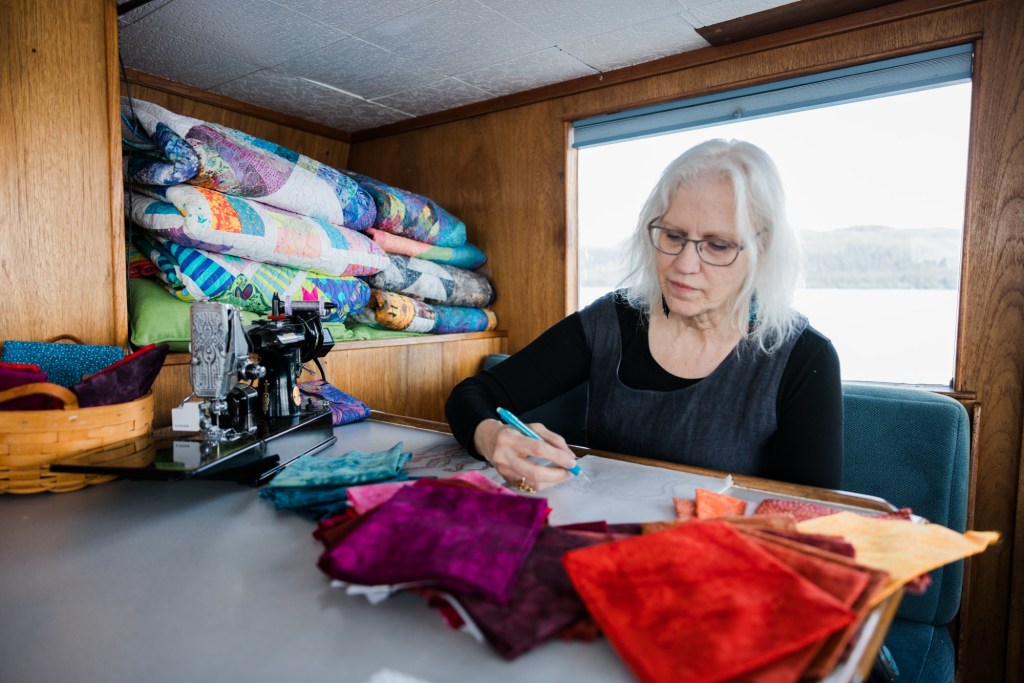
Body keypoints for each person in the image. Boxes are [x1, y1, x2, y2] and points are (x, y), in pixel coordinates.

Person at [445, 139, 842, 493]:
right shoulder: (613, 321)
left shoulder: (804, 358)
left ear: (762, 250)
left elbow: (812, 514)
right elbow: (473, 395)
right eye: (673, 236)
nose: (683, 264)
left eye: (718, 245)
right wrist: (491, 437)